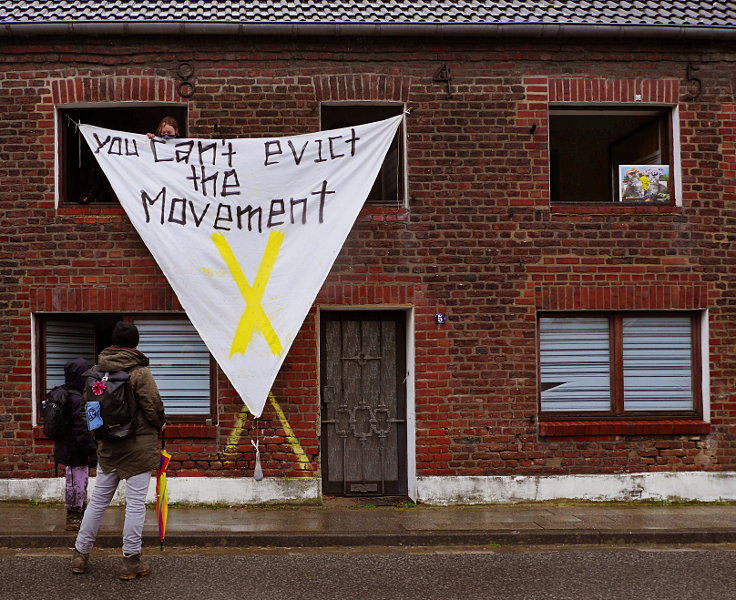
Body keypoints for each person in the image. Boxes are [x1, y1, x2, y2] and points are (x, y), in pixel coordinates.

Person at [71, 321, 166, 580]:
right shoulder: (140, 372)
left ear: (112, 343)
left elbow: (86, 410)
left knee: (98, 501)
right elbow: (153, 407)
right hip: (138, 447)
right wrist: (159, 425)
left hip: (108, 448)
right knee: (135, 504)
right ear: (135, 344)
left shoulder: (95, 371)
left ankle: (80, 555)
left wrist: (100, 436)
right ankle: (131, 561)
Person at [55, 357, 97, 531]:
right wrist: (92, 448)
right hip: (74, 449)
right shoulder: (75, 398)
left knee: (78, 481)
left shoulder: (70, 394)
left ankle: (78, 513)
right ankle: (74, 517)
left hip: (71, 447)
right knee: (76, 483)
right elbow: (80, 427)